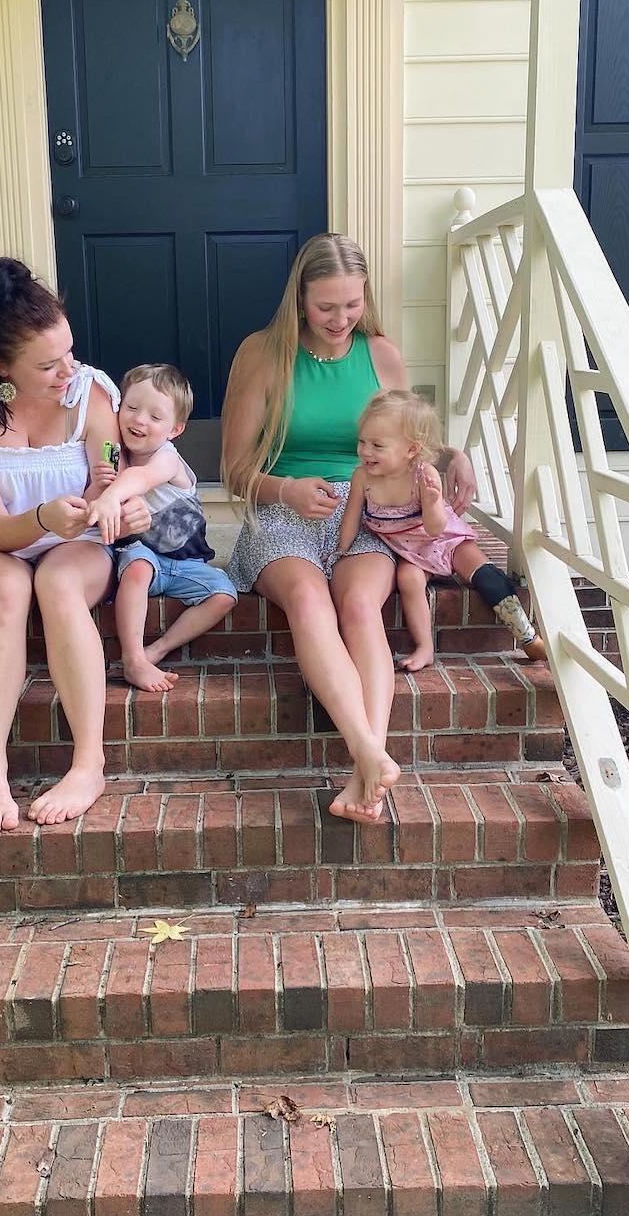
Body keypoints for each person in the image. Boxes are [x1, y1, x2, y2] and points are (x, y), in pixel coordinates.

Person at [221, 233, 476, 822]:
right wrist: (284, 488)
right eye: (326, 306)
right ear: (299, 300)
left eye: (352, 304)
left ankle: (368, 769)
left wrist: (449, 455)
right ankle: (369, 754)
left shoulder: (380, 354)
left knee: (360, 607)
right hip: (285, 511)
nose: (340, 319)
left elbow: (409, 441)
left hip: (368, 513)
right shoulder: (263, 353)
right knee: (310, 603)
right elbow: (233, 470)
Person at [0, 258, 152, 835]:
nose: (67, 371)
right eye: (48, 365)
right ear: (0, 366)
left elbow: (108, 474)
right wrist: (45, 517)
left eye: (69, 353)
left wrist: (120, 507)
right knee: (8, 584)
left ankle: (87, 763)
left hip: (73, 547)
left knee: (56, 580)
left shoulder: (92, 392)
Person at [337, 389, 545, 671]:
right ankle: (425, 647)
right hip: (409, 550)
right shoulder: (362, 477)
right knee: (409, 580)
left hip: (443, 537)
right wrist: (341, 551)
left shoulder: (423, 475)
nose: (365, 451)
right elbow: (351, 518)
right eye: (362, 442)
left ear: (411, 449)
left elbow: (436, 529)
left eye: (377, 445)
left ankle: (527, 636)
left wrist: (434, 503)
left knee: (483, 573)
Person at [86, 363, 238, 692]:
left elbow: (139, 479)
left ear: (175, 429)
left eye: (155, 417)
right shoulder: (114, 453)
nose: (140, 420)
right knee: (137, 568)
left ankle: (157, 649)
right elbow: (94, 505)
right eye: (132, 408)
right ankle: (132, 659)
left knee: (224, 594)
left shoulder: (167, 458)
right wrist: (99, 486)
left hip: (185, 562)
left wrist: (112, 494)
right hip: (143, 554)